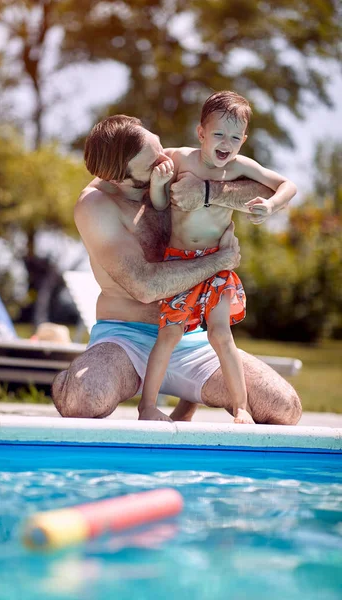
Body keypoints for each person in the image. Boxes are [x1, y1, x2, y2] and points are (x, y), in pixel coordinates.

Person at [51, 114, 302, 425]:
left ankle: (190, 396)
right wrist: (219, 261)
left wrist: (211, 192)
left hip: (193, 340)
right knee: (82, 399)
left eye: (157, 148)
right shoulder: (96, 206)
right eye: (151, 164)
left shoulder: (171, 160)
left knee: (284, 407)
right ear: (119, 177)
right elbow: (145, 287)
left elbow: (264, 188)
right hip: (127, 339)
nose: (163, 162)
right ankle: (77, 374)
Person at [138, 91, 297, 423]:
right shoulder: (181, 159)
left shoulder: (239, 166)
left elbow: (287, 185)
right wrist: (158, 183)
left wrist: (269, 205)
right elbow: (159, 205)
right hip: (181, 264)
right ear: (201, 134)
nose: (227, 143)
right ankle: (148, 406)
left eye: (235, 137)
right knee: (170, 334)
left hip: (217, 262)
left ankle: (241, 407)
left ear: (244, 140)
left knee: (221, 333)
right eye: (219, 135)